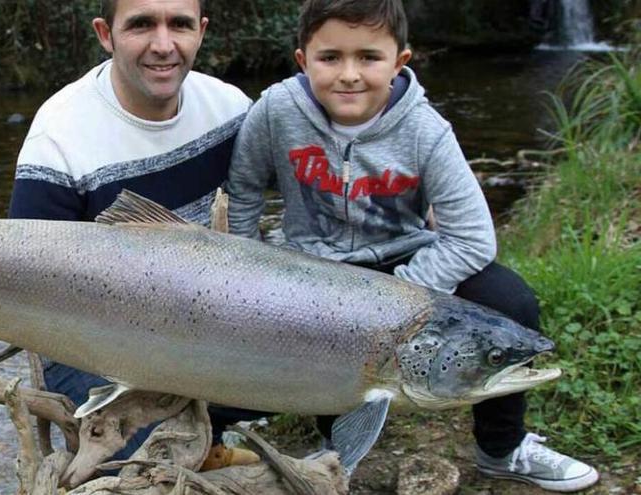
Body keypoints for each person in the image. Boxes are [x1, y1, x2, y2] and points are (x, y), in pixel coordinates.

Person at [225, 0, 599, 491]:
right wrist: (242, 268)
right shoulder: (275, 111)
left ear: (401, 61)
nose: (349, 75)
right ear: (302, 60)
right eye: (330, 57)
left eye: (369, 58)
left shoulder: (425, 130)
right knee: (311, 350)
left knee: (511, 303)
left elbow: (471, 237)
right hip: (317, 271)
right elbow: (245, 189)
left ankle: (502, 448)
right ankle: (335, 450)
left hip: (409, 265)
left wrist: (401, 298)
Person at [8, 0, 259, 466]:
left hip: (210, 324)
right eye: (142, 24)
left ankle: (209, 439)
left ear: (201, 31)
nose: (163, 45)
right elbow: (26, 282)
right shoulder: (59, 136)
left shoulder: (231, 109)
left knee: (310, 381)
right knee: (148, 455)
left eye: (179, 25)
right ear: (106, 34)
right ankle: (191, 449)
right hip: (91, 339)